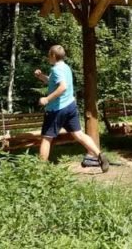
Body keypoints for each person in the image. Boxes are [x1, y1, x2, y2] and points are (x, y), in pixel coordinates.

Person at [34, 44, 108, 172]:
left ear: (53, 55)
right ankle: (100, 155)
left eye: (48, 55)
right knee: (78, 134)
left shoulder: (56, 70)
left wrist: (46, 99)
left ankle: (39, 172)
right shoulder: (65, 68)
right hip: (70, 106)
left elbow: (62, 87)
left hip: (56, 110)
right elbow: (53, 82)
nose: (48, 58)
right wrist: (41, 77)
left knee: (46, 138)